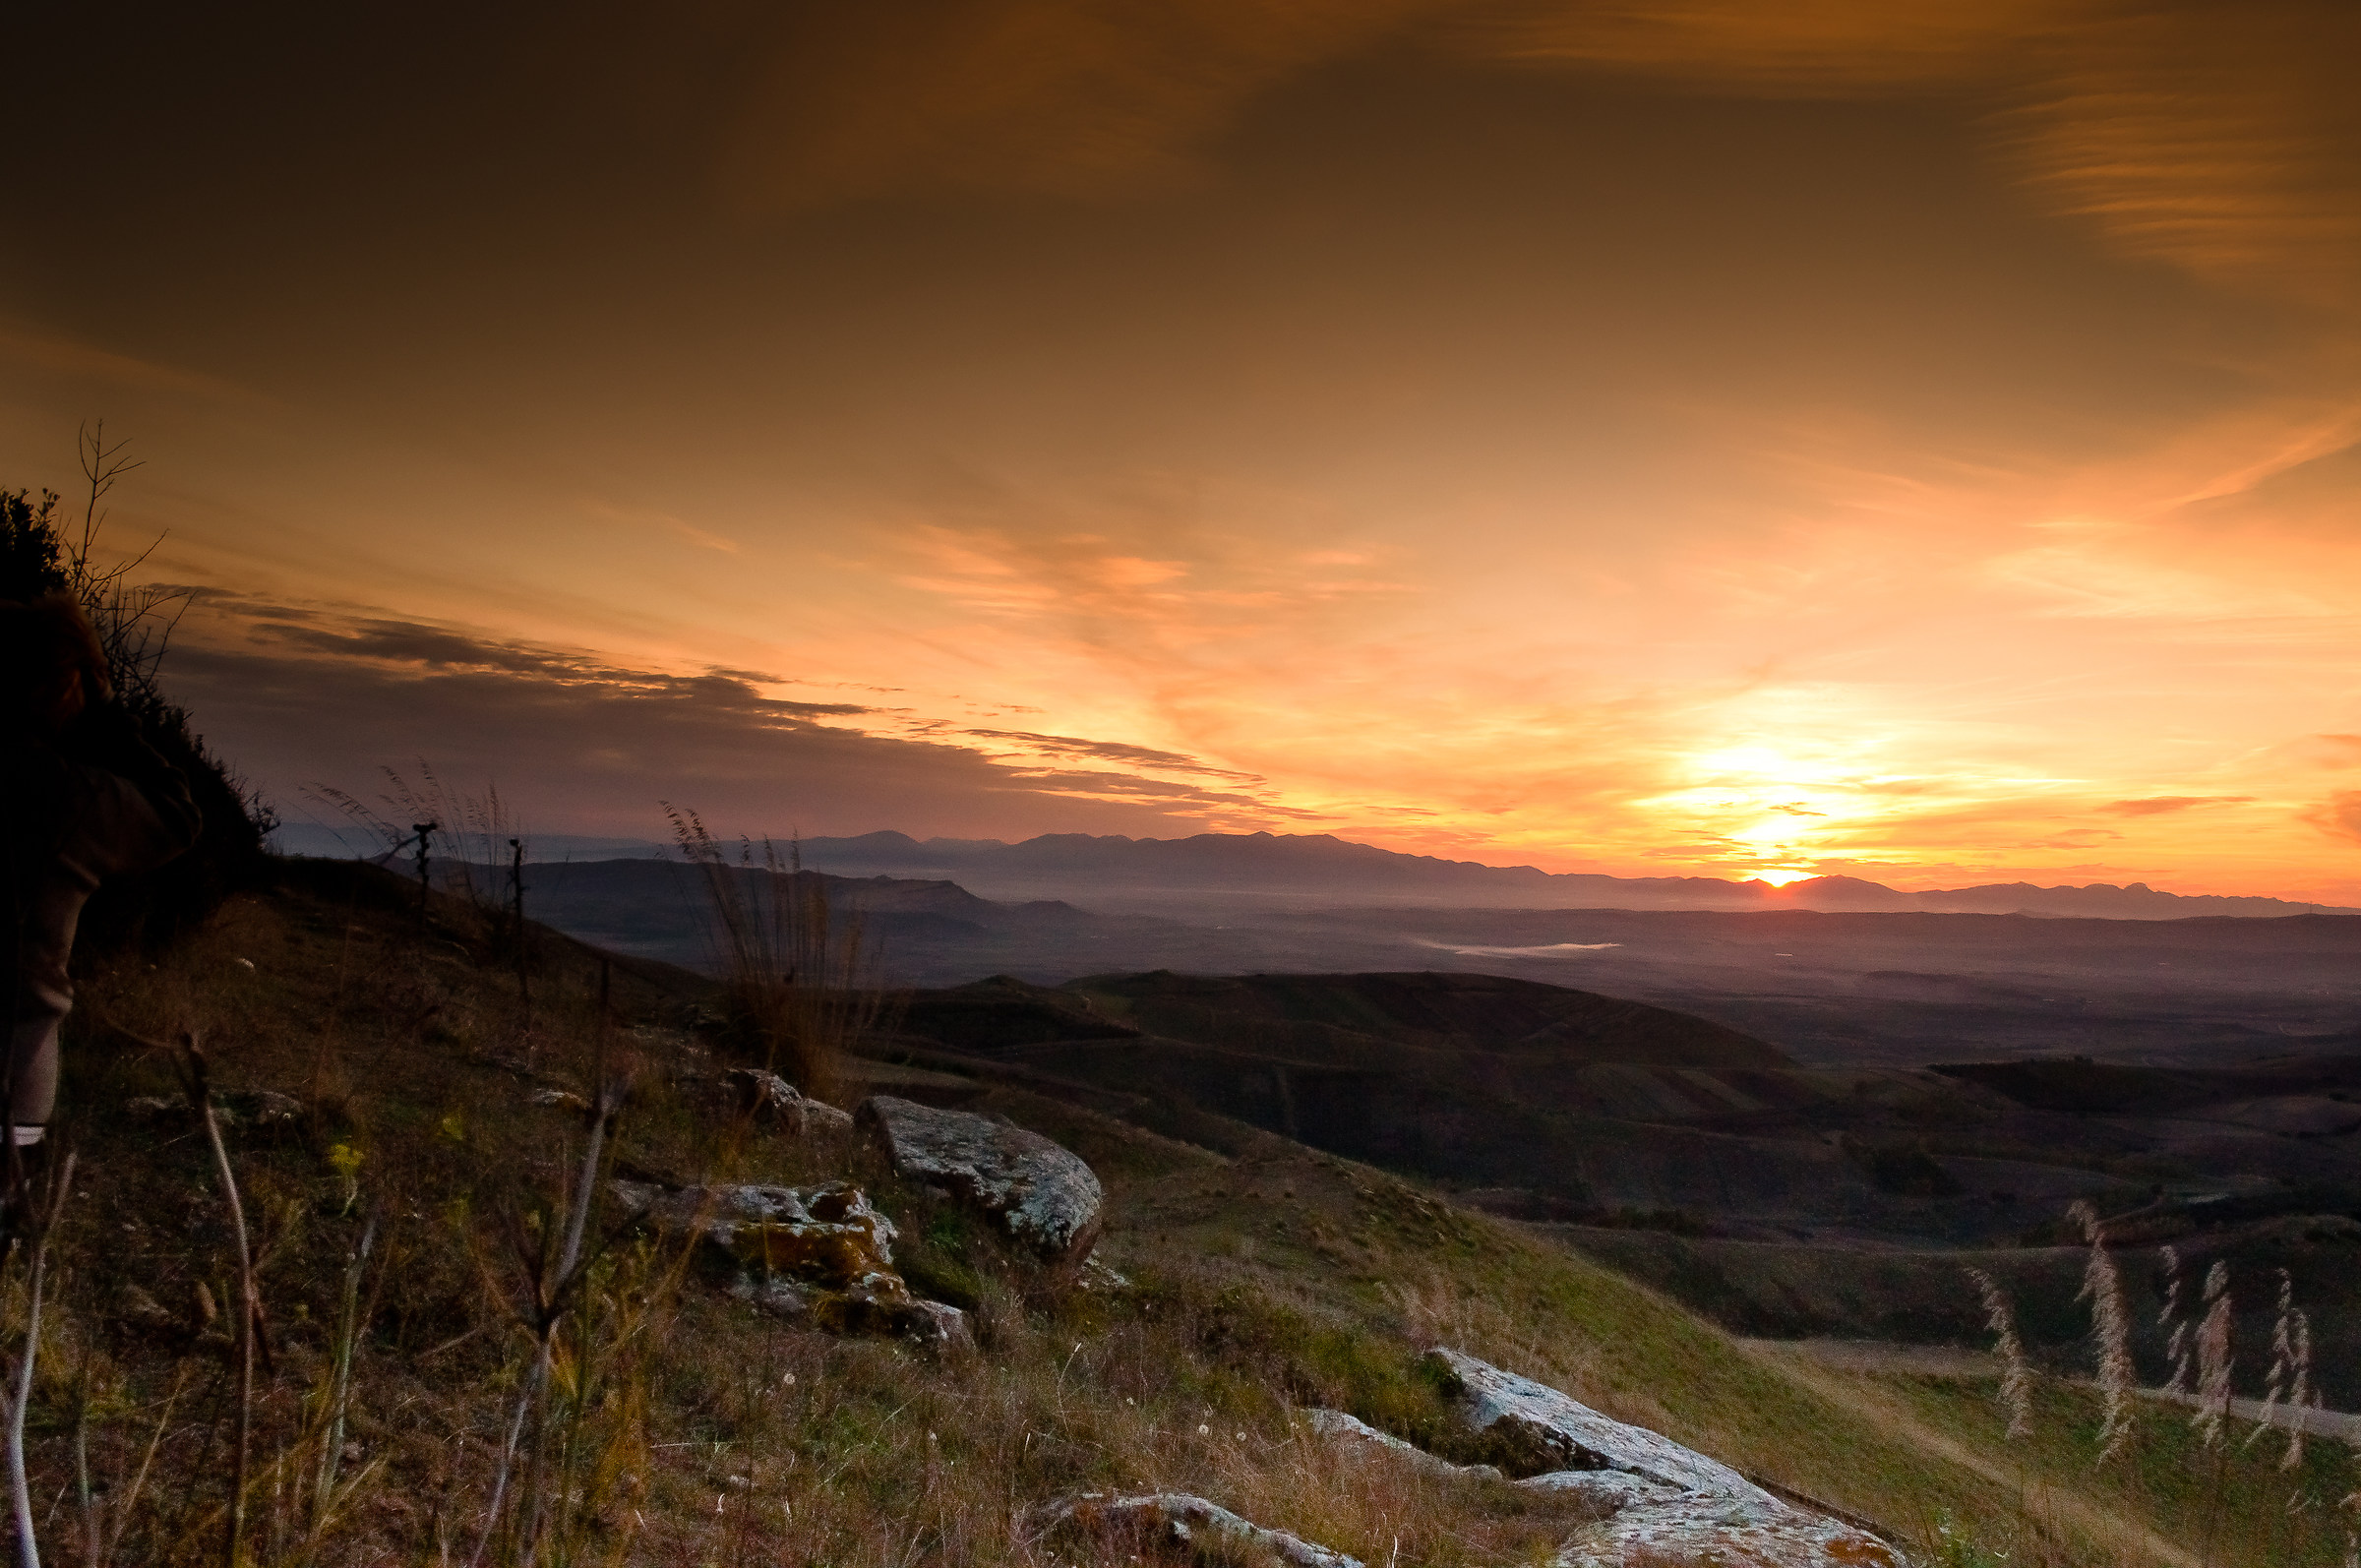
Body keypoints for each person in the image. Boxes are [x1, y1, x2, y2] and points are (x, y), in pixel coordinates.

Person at [1, 594, 200, 1164]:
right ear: (68, 686)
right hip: (12, 1081)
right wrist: (105, 711)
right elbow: (176, 815)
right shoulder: (63, 796)